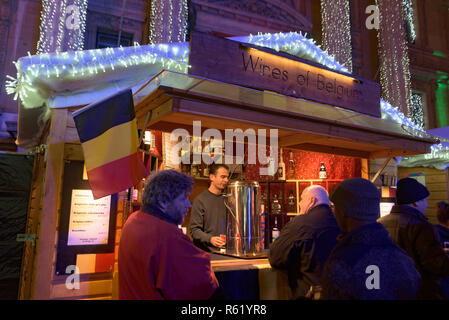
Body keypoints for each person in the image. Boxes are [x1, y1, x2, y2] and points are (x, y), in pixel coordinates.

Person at [118, 169, 220, 300]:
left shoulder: (132, 220)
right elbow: (202, 284)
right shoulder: (166, 235)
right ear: (163, 201)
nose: (188, 204)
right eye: (183, 198)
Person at [321, 178, 421, 300]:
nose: (333, 212)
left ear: (344, 211)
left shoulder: (342, 262)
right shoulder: (401, 257)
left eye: (335, 207)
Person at [378, 177, 449, 299]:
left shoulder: (379, 224)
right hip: (420, 291)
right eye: (425, 201)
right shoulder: (421, 226)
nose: (427, 206)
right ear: (415, 202)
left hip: (390, 290)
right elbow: (435, 264)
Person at [268, 185, 341, 299]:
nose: (299, 204)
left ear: (312, 201)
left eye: (302, 199)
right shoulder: (343, 223)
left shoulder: (301, 223)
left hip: (310, 295)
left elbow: (275, 258)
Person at [190, 164, 229, 252]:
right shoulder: (200, 200)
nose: (226, 180)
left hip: (225, 252)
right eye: (223, 177)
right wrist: (210, 239)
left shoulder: (227, 200)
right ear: (212, 177)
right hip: (205, 252)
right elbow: (194, 230)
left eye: (227, 177)